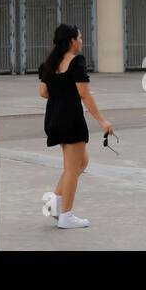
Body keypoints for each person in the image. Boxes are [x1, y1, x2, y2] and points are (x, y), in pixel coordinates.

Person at [38, 24, 113, 230]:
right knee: (72, 169)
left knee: (82, 162)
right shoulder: (76, 62)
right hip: (70, 119)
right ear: (71, 41)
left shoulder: (50, 63)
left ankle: (54, 202)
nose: (81, 41)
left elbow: (43, 92)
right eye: (79, 37)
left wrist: (60, 90)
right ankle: (66, 215)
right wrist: (103, 121)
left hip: (53, 118)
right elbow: (84, 94)